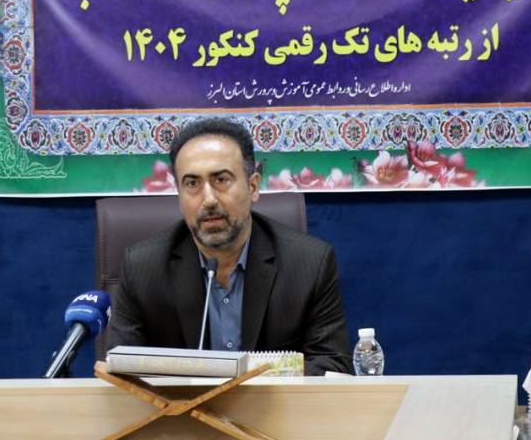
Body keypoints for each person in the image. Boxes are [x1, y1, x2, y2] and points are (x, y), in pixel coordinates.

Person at [105, 118, 351, 375]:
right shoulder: (143, 268)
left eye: (221, 179)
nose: (209, 199)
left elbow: (332, 366)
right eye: (192, 184)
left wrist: (250, 376)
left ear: (253, 186)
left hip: (272, 402)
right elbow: (122, 371)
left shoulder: (309, 264)